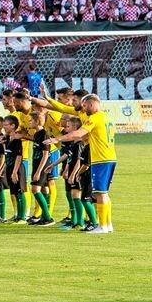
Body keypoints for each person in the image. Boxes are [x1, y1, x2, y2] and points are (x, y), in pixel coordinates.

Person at [48, 94, 116, 234]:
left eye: (85, 106)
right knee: (104, 193)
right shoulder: (106, 117)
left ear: (91, 104)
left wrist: (57, 139)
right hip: (109, 157)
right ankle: (107, 224)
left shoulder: (94, 118)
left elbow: (79, 134)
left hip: (101, 159)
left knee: (100, 193)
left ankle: (102, 226)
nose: (84, 109)